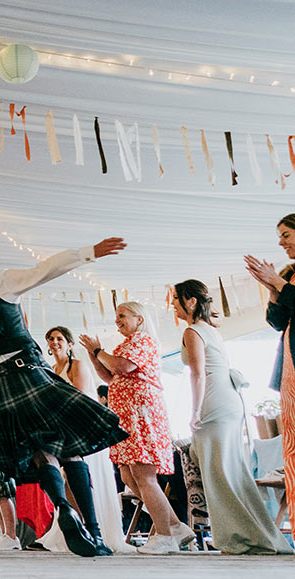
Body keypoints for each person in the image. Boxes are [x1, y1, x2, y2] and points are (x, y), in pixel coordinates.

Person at [0, 237, 128, 558]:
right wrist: (88, 252)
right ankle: (93, 533)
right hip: (27, 371)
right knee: (69, 450)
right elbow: (46, 269)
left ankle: (61, 506)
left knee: (42, 453)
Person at [173, 281, 291, 555]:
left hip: (213, 402)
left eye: (176, 300)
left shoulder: (192, 331)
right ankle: (256, 534)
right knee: (233, 473)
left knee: (218, 475)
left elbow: (198, 374)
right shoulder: (211, 331)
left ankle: (238, 537)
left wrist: (194, 413)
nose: (173, 306)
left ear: (190, 302)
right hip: (229, 401)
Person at [80, 301, 185, 555]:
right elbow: (110, 376)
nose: (117, 320)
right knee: (128, 476)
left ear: (139, 319)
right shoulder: (126, 344)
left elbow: (122, 366)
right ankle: (175, 526)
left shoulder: (143, 340)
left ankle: (165, 536)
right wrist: (96, 357)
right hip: (126, 418)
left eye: (122, 315)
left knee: (144, 475)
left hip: (141, 415)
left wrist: (98, 351)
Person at [36, 326, 133, 554]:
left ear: (69, 344)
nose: (54, 342)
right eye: (50, 338)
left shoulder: (76, 366)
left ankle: (96, 531)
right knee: (66, 481)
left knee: (83, 479)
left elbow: (79, 397)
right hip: (60, 430)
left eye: (60, 338)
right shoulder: (50, 369)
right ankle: (77, 529)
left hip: (82, 429)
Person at [244, 214, 295, 503]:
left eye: (286, 234)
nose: (280, 241)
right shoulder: (291, 274)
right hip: (289, 370)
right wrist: (273, 291)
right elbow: (277, 322)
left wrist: (279, 282)